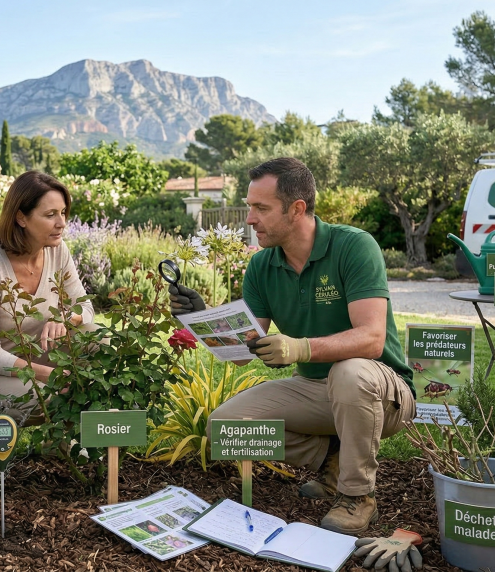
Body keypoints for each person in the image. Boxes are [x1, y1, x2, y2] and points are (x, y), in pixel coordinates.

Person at [170, 157, 416, 535]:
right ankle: (334, 461)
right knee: (224, 426)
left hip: (383, 390)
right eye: (250, 207)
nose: (250, 219)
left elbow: (371, 338)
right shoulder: (262, 267)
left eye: (261, 208)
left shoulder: (353, 247)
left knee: (349, 372)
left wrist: (300, 349)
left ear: (297, 209)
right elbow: (245, 350)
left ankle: (357, 496)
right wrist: (205, 317)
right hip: (319, 391)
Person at [0, 171, 95, 422]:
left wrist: (66, 319)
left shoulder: (58, 252)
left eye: (63, 213)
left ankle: (62, 440)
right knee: (47, 396)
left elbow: (86, 308)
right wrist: (47, 375)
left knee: (97, 338)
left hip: (32, 357)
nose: (62, 223)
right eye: (50, 215)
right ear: (21, 218)